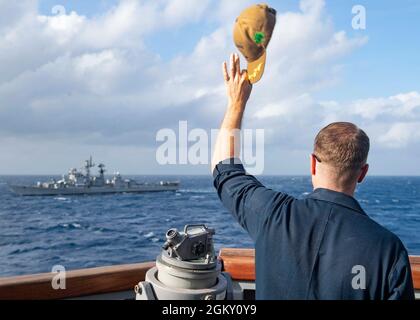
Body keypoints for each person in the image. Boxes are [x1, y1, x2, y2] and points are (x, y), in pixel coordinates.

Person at [211, 53, 415, 300]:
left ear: (312, 163)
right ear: (362, 173)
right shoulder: (389, 251)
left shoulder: (272, 215)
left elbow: (224, 169)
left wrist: (236, 101)